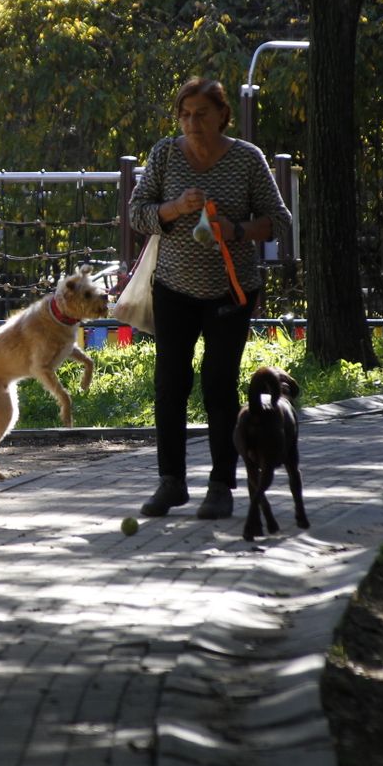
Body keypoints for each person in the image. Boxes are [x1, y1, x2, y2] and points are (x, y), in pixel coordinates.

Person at [127, 77, 294, 519]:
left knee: (219, 385)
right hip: (173, 288)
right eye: (184, 115)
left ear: (222, 115)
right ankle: (171, 482)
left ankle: (221, 486)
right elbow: (137, 214)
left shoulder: (247, 158)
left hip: (231, 290)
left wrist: (236, 230)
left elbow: (278, 220)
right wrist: (175, 207)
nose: (192, 122)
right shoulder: (165, 154)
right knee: (170, 385)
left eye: (201, 114)